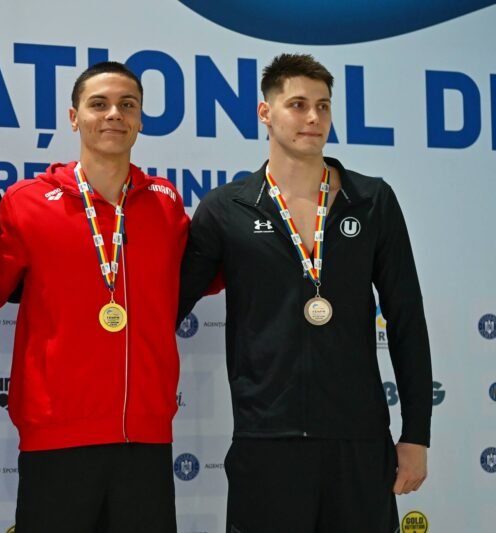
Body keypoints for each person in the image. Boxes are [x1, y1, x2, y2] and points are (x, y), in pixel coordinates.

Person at [178, 53, 433, 533]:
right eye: (297, 104)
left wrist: (415, 434)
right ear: (265, 113)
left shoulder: (372, 199)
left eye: (322, 105)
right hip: (266, 439)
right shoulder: (226, 208)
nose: (313, 117)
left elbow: (407, 320)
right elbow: (167, 305)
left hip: (359, 440)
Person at [0, 61, 189, 533]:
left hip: (146, 439)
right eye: (99, 104)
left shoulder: (166, 202)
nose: (114, 114)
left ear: (139, 119)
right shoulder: (27, 201)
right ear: (74, 117)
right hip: (56, 439)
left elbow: (204, 277)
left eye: (127, 105)